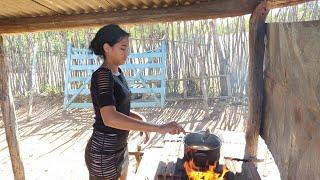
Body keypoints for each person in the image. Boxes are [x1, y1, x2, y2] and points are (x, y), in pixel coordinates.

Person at [85, 24, 185, 180]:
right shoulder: (102, 76)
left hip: (120, 147)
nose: (127, 53)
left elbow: (119, 109)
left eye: (128, 48)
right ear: (107, 48)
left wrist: (139, 119)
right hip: (104, 153)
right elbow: (110, 117)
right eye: (122, 48)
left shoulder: (117, 72)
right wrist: (158, 128)